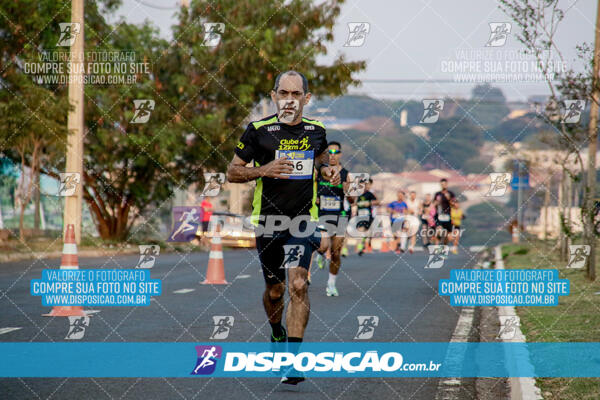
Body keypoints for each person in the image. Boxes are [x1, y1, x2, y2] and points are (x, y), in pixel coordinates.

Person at [226, 70, 340, 385]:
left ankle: (292, 360)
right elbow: (232, 172)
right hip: (268, 221)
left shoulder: (317, 131)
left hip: (304, 220)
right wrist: (263, 169)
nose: (290, 99)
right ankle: (276, 332)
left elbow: (322, 165)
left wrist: (329, 172)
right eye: (284, 93)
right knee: (275, 291)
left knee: (299, 285)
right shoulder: (258, 131)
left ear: (307, 98)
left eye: (296, 94)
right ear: (274, 95)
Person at [315, 141, 352, 297]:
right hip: (322, 214)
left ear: (340, 155)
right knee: (323, 246)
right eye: (329, 152)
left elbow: (352, 200)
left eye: (335, 152)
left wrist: (348, 192)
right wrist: (315, 199)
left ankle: (331, 284)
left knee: (336, 252)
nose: (332, 155)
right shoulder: (318, 172)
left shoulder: (346, 174)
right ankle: (320, 254)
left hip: (340, 216)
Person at [356, 178, 379, 255]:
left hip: (368, 215)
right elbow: (352, 201)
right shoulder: (357, 193)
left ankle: (363, 244)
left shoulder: (369, 194)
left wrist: (369, 203)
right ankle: (360, 247)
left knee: (366, 232)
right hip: (359, 215)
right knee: (360, 230)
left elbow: (377, 202)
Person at [433, 178, 455, 245]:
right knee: (438, 231)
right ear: (440, 185)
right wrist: (436, 203)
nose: (443, 185)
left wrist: (449, 199)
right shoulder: (437, 194)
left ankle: (444, 248)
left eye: (444, 184)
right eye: (442, 184)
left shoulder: (450, 193)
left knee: (448, 236)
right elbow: (433, 204)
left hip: (448, 216)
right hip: (439, 215)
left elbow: (454, 205)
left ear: (447, 184)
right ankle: (436, 248)